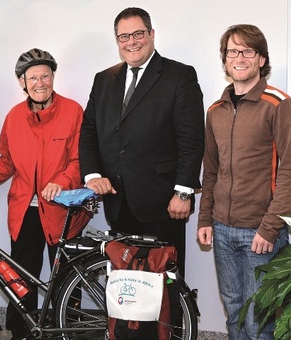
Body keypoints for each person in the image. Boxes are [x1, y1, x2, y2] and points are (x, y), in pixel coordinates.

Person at [0, 48, 91, 340]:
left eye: (45, 75)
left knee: (66, 280)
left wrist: (61, 180)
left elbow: (79, 160)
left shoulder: (73, 111)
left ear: (53, 77)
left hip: (62, 210)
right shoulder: (14, 117)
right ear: (22, 82)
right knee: (21, 279)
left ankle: (67, 332)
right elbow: (6, 162)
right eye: (32, 77)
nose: (39, 82)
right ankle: (20, 332)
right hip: (24, 211)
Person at [79, 7, 205, 276]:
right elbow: (89, 130)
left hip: (163, 204)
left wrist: (183, 192)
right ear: (117, 41)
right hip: (118, 203)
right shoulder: (103, 80)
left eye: (138, 33)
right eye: (123, 36)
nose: (131, 42)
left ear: (151, 34)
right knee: (126, 286)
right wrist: (92, 174)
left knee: (164, 288)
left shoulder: (179, 76)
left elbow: (191, 139)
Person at [197, 24, 291, 339]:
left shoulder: (279, 105)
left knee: (259, 317)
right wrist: (205, 218)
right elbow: (211, 170)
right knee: (233, 310)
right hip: (222, 228)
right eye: (232, 51)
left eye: (247, 50)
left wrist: (270, 227)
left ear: (261, 59)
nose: (239, 57)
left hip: (260, 232)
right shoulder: (216, 110)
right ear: (225, 59)